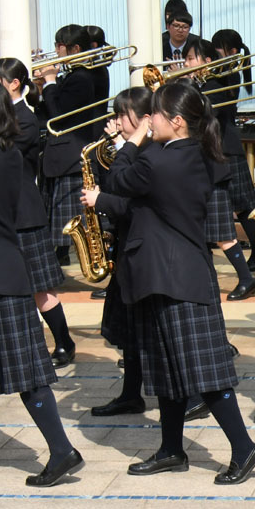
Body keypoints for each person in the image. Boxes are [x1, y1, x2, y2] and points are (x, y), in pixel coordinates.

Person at [84, 81, 255, 484]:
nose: (150, 121)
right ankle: (171, 449)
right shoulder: (182, 154)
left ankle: (244, 448)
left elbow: (119, 182)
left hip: (176, 277)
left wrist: (133, 138)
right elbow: (136, 199)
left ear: (177, 122)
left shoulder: (164, 160)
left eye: (156, 115)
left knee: (204, 370)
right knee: (165, 368)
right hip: (168, 274)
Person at [0, 78, 82, 486]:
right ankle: (60, 450)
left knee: (26, 370)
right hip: (3, 269)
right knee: (25, 368)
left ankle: (62, 451)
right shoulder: (7, 154)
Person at [0, 58, 76, 369]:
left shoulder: (24, 118)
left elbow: (2, 153)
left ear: (14, 83)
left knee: (41, 286)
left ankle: (64, 341)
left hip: (24, 214)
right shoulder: (4, 115)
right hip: (3, 213)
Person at [88, 86, 151, 417]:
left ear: (141, 119)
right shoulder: (130, 149)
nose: (116, 120)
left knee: (146, 329)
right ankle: (130, 393)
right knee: (129, 329)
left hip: (142, 249)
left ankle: (191, 396)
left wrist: (101, 200)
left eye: (121, 115)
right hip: (127, 246)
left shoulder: (147, 152)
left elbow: (130, 202)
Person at [186, 39, 255, 300]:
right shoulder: (199, 87)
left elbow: (201, 117)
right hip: (200, 167)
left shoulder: (213, 87)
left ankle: (247, 279)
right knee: (204, 230)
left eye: (191, 59)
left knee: (222, 232)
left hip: (213, 167)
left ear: (207, 62)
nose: (186, 65)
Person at [35, 24, 99, 303]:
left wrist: (50, 81)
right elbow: (46, 112)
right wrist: (41, 88)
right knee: (54, 222)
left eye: (59, 46)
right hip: (58, 157)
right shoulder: (71, 76)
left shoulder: (82, 78)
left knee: (68, 223)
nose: (55, 50)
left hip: (71, 156)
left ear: (73, 49)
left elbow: (59, 116)